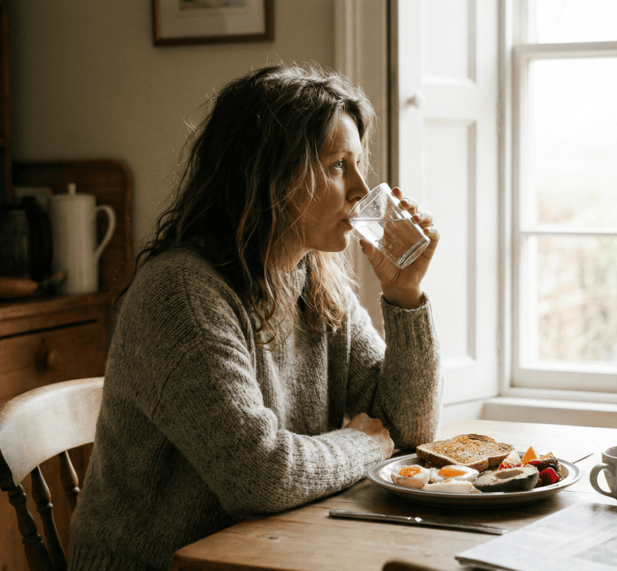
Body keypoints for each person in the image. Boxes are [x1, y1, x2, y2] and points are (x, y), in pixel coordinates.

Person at [69, 64, 443, 571]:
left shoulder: (314, 278)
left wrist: (405, 296)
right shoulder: (181, 294)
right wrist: (362, 442)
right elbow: (260, 477)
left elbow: (408, 430)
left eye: (359, 166)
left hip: (269, 552)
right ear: (270, 176)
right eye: (337, 166)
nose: (361, 189)